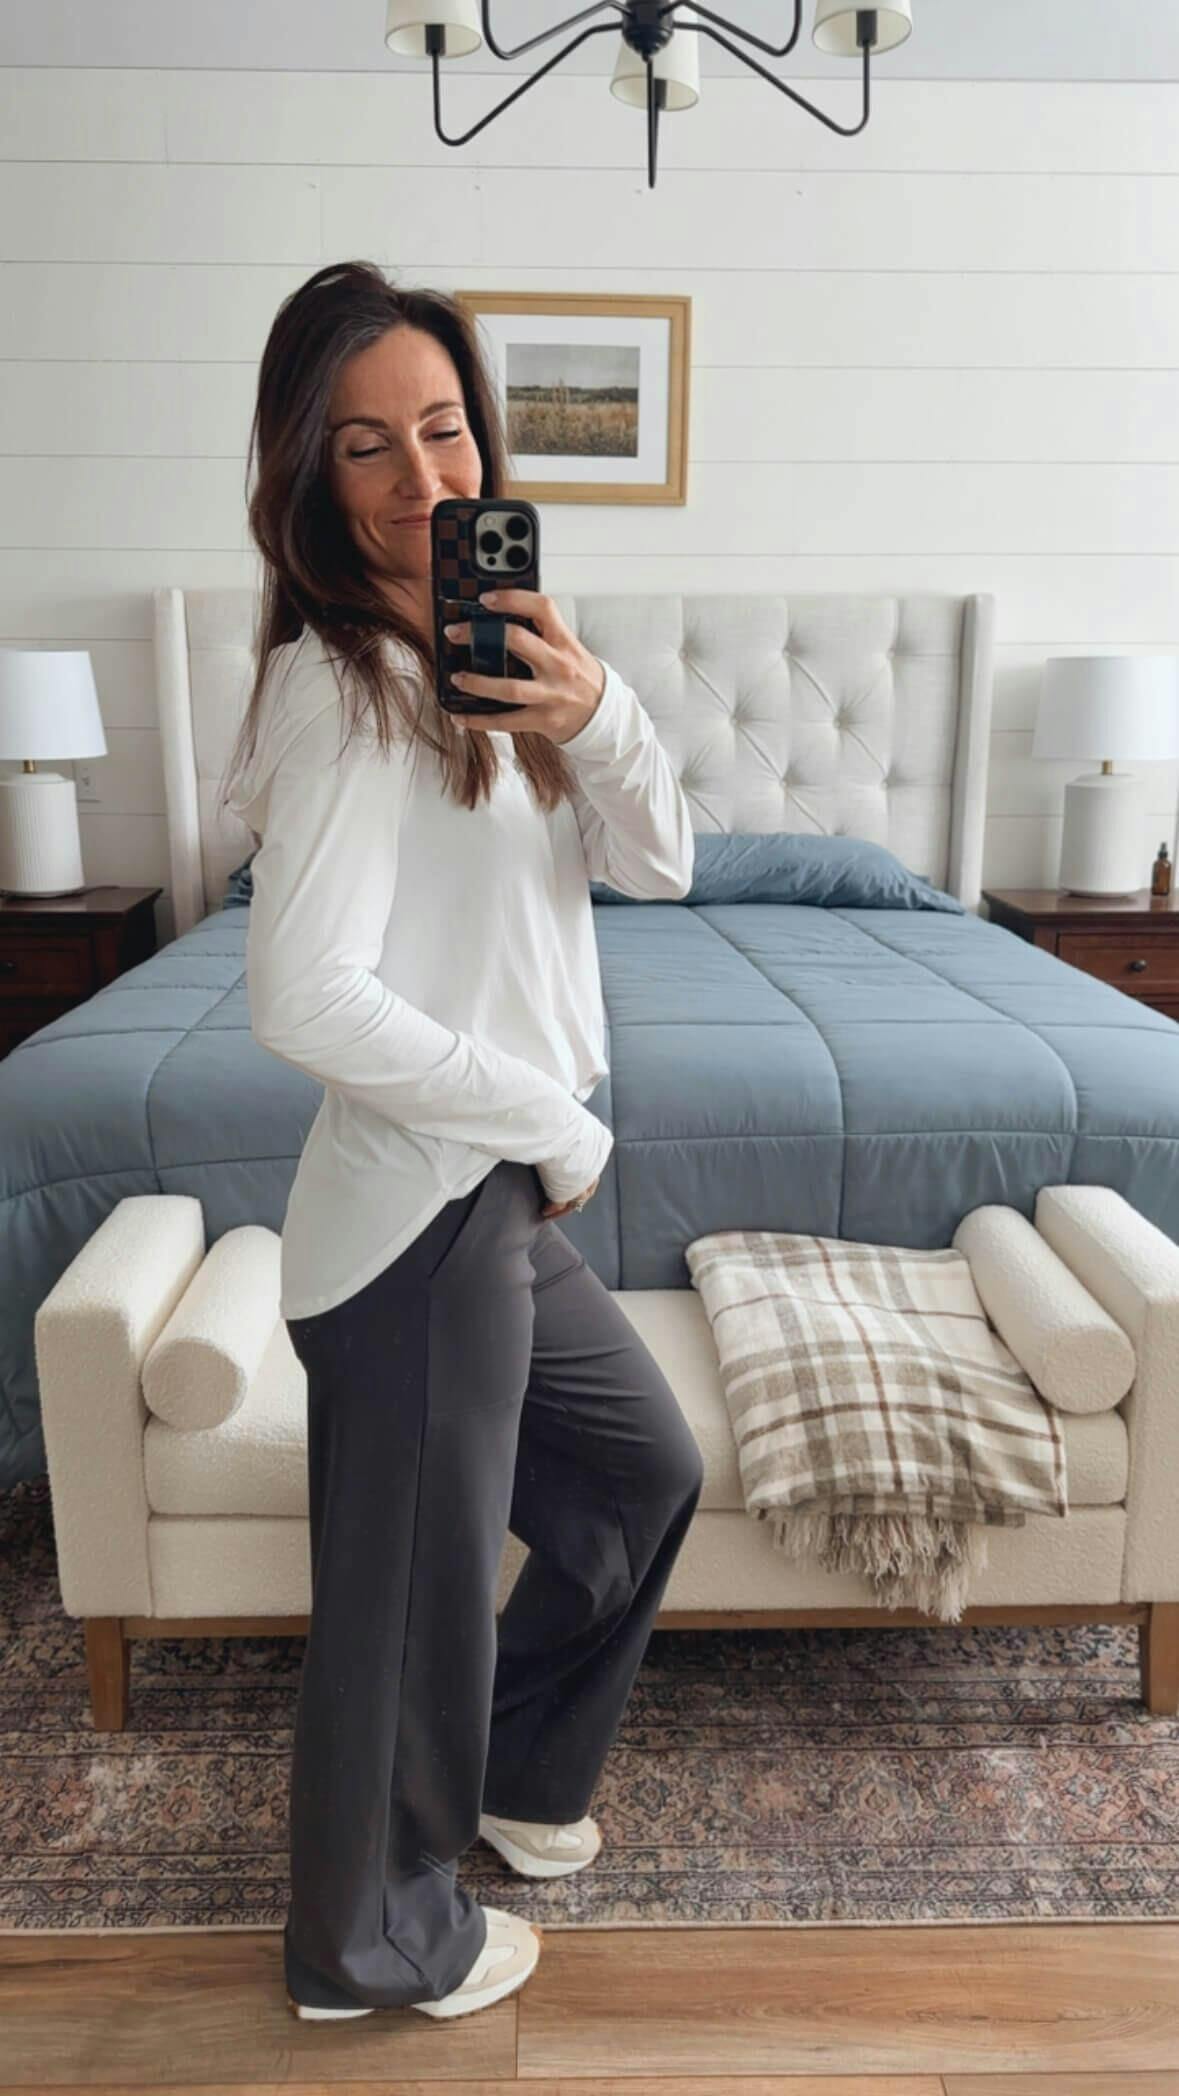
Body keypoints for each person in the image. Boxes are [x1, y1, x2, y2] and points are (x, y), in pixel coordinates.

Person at [220, 261, 705, 2024]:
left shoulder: (491, 651)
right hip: (419, 1222)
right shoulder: (345, 687)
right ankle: (366, 1944)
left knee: (641, 1477)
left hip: (486, 1201)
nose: (423, 480)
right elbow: (303, 998)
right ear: (311, 475)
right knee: (409, 1605)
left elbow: (664, 864)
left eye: (444, 431)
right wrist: (548, 1114)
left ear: (486, 440)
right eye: (368, 447)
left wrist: (597, 715)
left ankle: (506, 1768)